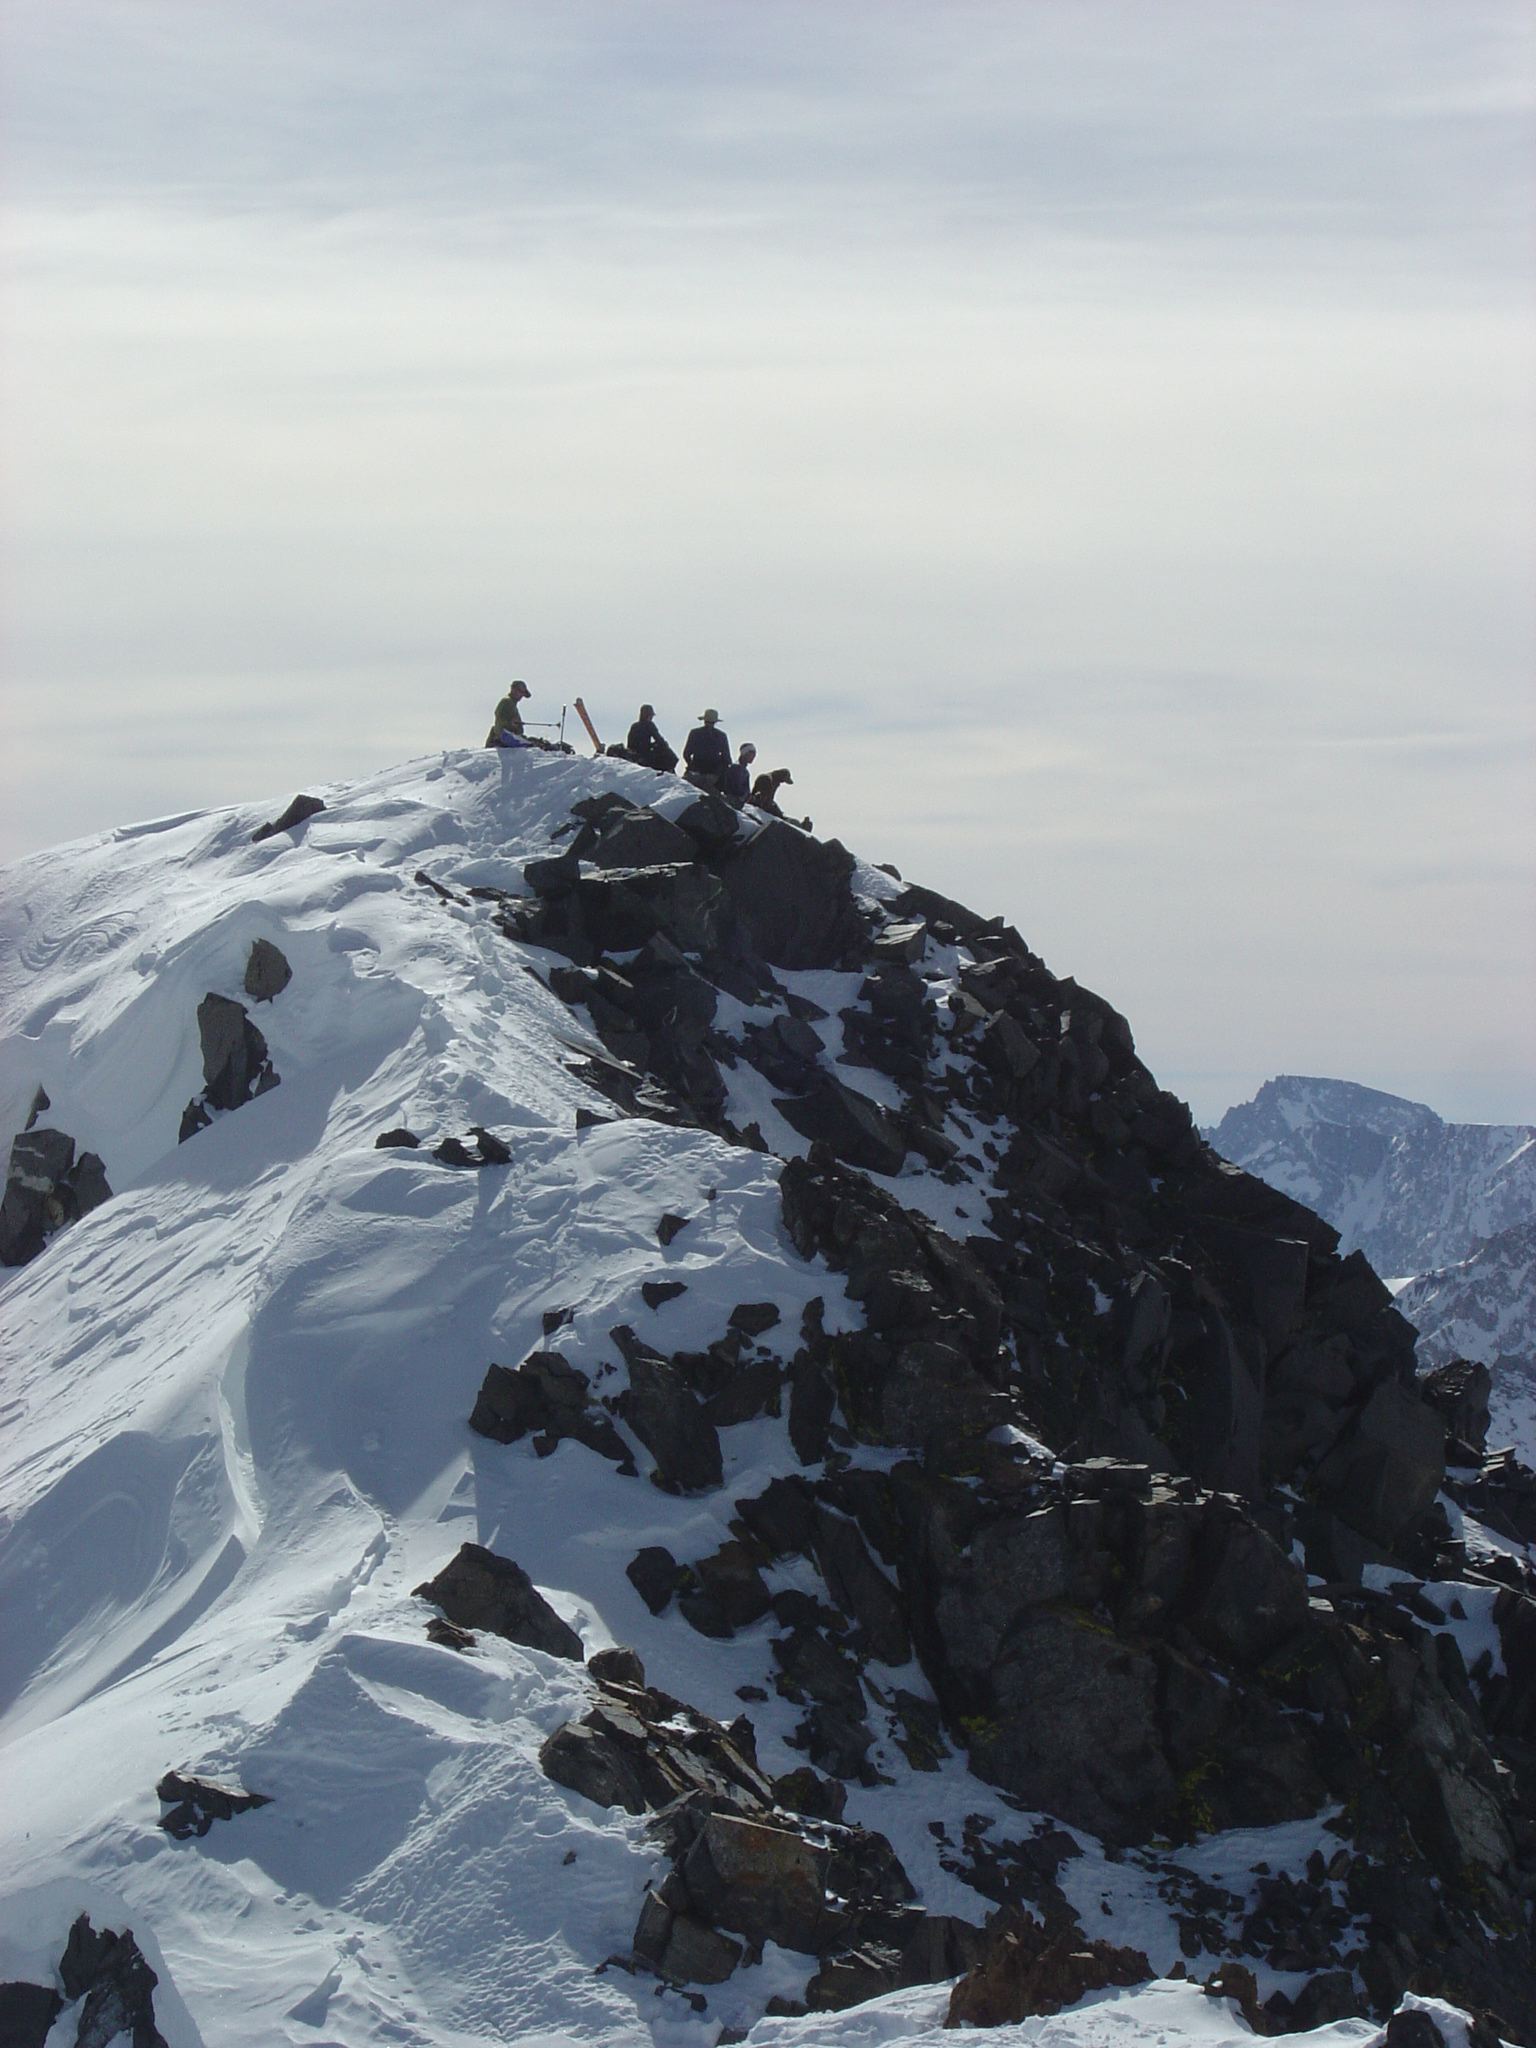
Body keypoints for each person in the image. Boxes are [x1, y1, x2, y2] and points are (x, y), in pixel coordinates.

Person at [683, 707, 731, 786]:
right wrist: (718, 773)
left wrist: (692, 766)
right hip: (713, 774)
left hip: (696, 771)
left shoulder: (695, 733)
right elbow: (726, 759)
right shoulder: (721, 736)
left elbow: (686, 754)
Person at [626, 704, 678, 773]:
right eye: (651, 715)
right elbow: (658, 739)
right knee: (670, 758)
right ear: (647, 715)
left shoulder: (634, 726)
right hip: (645, 755)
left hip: (636, 754)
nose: (651, 717)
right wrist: (664, 745)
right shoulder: (649, 725)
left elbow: (630, 744)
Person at [486, 680, 532, 747]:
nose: (521, 695)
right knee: (531, 746)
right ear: (513, 690)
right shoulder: (506, 702)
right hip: (505, 738)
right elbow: (499, 717)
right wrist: (511, 723)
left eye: (523, 693)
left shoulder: (511, 704)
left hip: (511, 736)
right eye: (520, 691)